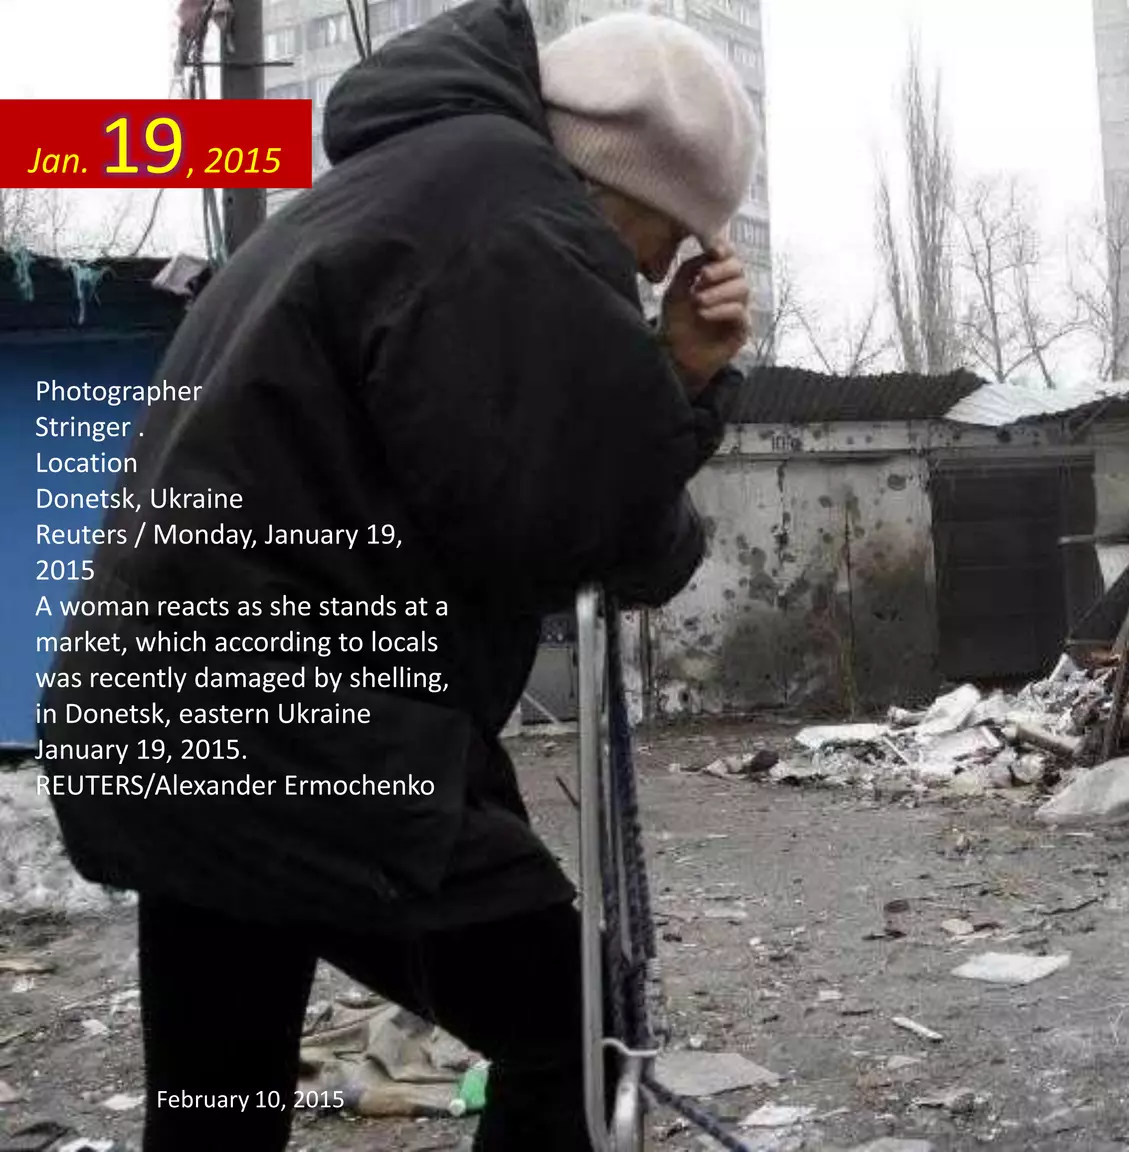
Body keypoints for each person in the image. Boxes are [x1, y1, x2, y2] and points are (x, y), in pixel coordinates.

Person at [37, 2, 758, 1148]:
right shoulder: (517, 222)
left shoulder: (381, 194)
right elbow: (600, 536)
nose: (658, 270)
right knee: (580, 1031)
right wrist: (682, 377)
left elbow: (484, 486)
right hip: (301, 738)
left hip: (165, 715)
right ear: (624, 182)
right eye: (664, 241)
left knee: (215, 1098)